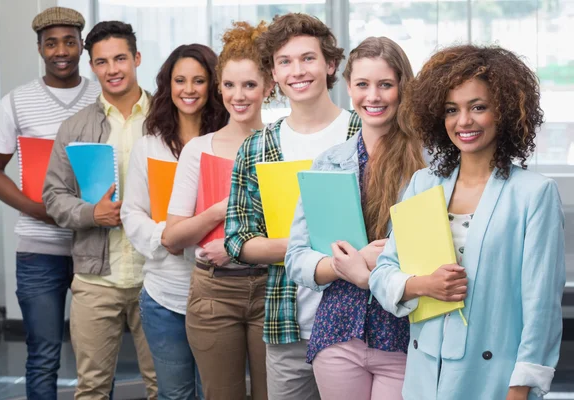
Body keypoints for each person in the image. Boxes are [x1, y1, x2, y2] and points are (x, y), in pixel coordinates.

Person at [365, 45, 565, 400]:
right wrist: (423, 285)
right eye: (451, 110)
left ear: (503, 112)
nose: (464, 121)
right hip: (425, 376)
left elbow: (541, 307)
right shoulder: (422, 184)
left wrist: (520, 388)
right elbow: (383, 273)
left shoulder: (534, 194)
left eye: (478, 107)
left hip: (496, 379)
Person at [223, 13, 361, 400]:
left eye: (308, 58)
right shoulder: (256, 147)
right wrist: (307, 248)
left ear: (331, 64)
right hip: (288, 327)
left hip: (358, 325)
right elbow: (238, 240)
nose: (297, 71)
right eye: (285, 61)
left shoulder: (363, 134)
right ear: (273, 74)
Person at [285, 36, 425, 400]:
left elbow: (438, 255)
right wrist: (351, 264)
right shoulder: (327, 163)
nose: (373, 96)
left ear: (402, 88)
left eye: (385, 85)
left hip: (404, 336)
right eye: (362, 85)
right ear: (348, 88)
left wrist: (376, 268)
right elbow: (296, 260)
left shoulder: (429, 166)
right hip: (338, 333)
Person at [0, 7, 100, 400]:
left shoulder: (104, 94)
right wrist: (35, 209)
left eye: (69, 41)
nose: (60, 50)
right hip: (38, 249)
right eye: (51, 43)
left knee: (98, 357)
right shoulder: (18, 102)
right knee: (43, 354)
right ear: (40, 48)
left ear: (82, 45)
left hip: (97, 245)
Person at [42, 21, 157, 399]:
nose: (113, 69)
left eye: (121, 58)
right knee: (91, 387)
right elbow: (54, 196)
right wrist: (93, 214)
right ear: (92, 66)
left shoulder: (166, 119)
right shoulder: (74, 127)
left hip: (156, 275)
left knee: (166, 386)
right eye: (102, 61)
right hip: (96, 280)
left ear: (137, 58)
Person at [161, 22, 272, 400]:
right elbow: (172, 238)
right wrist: (221, 210)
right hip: (214, 292)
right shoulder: (199, 150)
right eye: (229, 85)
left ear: (269, 87)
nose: (238, 96)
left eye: (249, 85)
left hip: (273, 288)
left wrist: (237, 244)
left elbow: (301, 230)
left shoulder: (283, 146)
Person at [121, 43, 228, 400]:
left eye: (199, 80)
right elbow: (131, 213)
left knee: (216, 392)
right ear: (168, 85)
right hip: (164, 294)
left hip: (221, 292)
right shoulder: (148, 147)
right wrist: (170, 236)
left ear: (213, 85)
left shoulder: (228, 143)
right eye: (180, 80)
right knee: (174, 394)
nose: (189, 89)